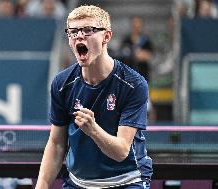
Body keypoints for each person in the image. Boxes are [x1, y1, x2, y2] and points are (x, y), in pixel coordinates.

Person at [35, 5, 153, 189]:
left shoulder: (133, 84)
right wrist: (41, 186)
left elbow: (122, 151)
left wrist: (93, 130)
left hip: (127, 181)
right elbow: (57, 144)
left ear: (106, 36)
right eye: (73, 32)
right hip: (78, 183)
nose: (80, 36)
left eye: (88, 30)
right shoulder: (61, 83)